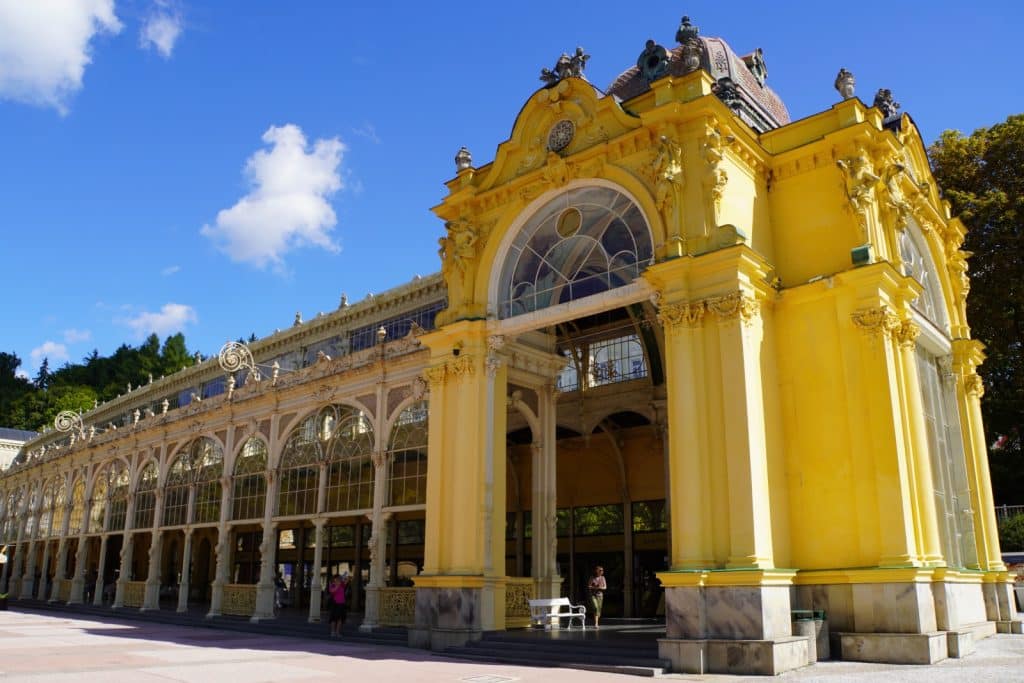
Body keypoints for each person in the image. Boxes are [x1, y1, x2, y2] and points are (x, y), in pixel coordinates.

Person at [327, 573, 348, 638]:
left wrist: (344, 577)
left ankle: (337, 632)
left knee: (340, 619)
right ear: (334, 579)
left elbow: (346, 581)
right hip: (335, 604)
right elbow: (332, 591)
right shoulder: (332, 585)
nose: (338, 580)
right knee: (333, 618)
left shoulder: (342, 585)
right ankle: (333, 632)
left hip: (342, 604)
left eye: (339, 578)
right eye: (337, 578)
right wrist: (337, 585)